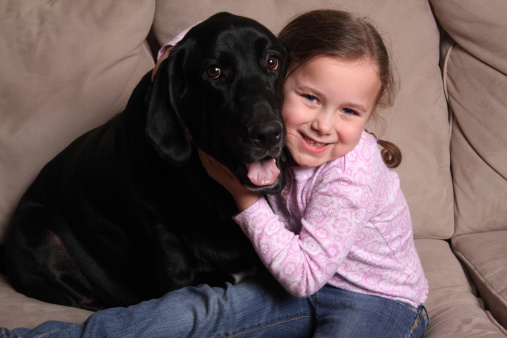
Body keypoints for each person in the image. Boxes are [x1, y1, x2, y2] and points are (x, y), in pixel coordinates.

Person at [1, 9, 429, 338]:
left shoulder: (350, 173)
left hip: (377, 301)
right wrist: (169, 60)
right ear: (288, 77)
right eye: (311, 97)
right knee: (191, 313)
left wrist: (239, 194)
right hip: (295, 289)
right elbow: (208, 45)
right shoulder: (294, 138)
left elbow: (303, 275)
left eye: (349, 111)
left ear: (369, 115)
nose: (323, 124)